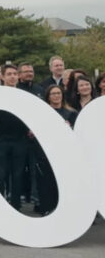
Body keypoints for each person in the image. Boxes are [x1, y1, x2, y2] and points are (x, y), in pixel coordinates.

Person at [0, 64, 29, 211]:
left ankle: (16, 205)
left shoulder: (24, 95)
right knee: (0, 174)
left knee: (17, 175)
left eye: (14, 74)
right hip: (1, 139)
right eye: (9, 74)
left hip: (20, 139)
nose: (12, 77)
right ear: (3, 77)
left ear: (18, 76)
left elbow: (29, 116)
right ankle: (0, 206)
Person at [35, 84, 77, 216]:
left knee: (63, 181)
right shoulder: (42, 113)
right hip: (46, 152)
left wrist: (69, 129)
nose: (56, 96)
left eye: (58, 93)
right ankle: (47, 207)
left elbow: (76, 134)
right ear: (48, 96)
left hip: (64, 153)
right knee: (46, 181)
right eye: (53, 93)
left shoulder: (71, 113)